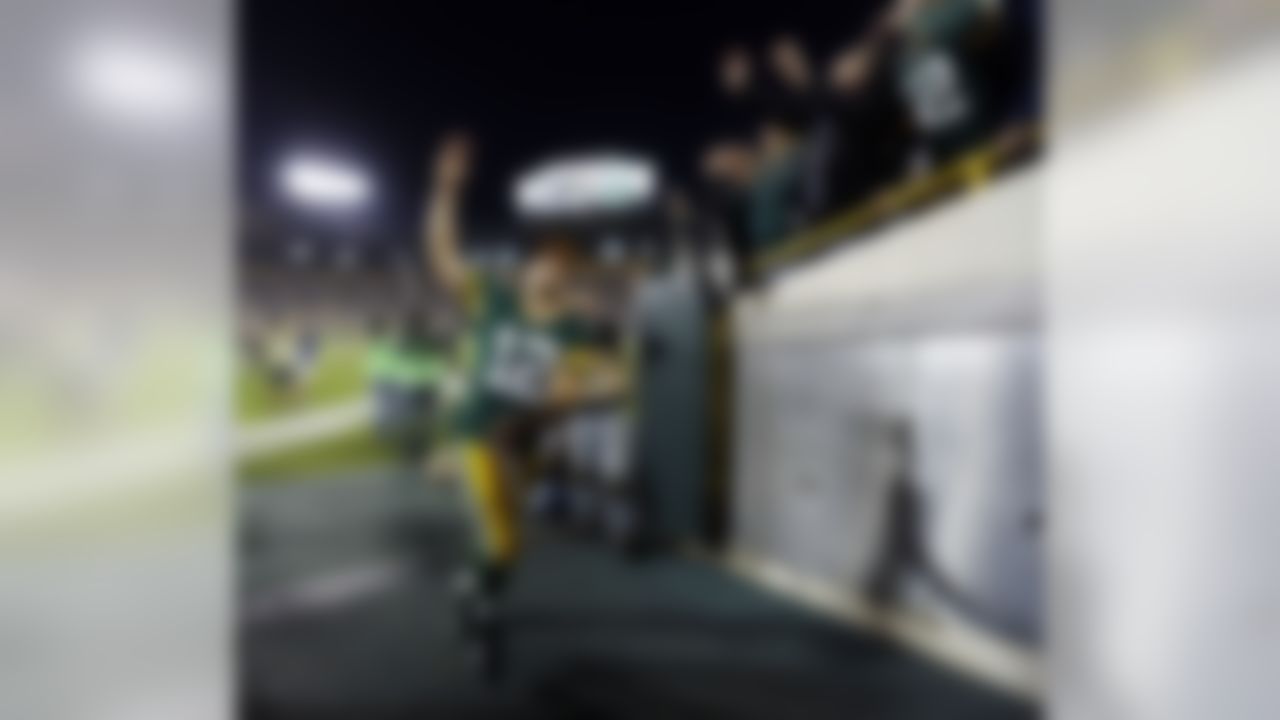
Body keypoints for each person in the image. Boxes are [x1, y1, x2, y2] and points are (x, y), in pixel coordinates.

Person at [422, 133, 626, 679]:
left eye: (565, 261)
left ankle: (473, 587)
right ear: (530, 262)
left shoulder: (573, 325)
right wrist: (445, 191)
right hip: (480, 435)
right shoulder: (494, 296)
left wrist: (573, 398)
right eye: (546, 257)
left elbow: (576, 388)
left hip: (526, 444)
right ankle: (483, 624)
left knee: (509, 550)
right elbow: (443, 257)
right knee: (502, 537)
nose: (553, 268)